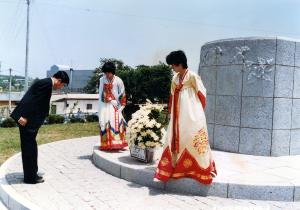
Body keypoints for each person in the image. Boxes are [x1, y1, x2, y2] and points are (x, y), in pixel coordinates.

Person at [154, 50, 217, 184]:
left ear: (180, 64)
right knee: (179, 138)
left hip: (192, 114)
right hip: (178, 116)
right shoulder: (175, 79)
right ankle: (177, 167)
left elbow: (202, 94)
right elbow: (171, 96)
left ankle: (199, 168)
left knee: (192, 137)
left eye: (173, 65)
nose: (172, 67)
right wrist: (171, 112)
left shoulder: (193, 76)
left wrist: (198, 113)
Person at [11, 71, 69, 184]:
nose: (62, 87)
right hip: (27, 120)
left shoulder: (46, 83)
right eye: (63, 85)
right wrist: (25, 116)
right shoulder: (46, 84)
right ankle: (30, 178)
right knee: (29, 148)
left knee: (30, 147)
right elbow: (33, 101)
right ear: (59, 80)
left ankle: (31, 175)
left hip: (29, 120)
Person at [98, 62, 127, 150]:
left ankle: (118, 144)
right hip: (105, 105)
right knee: (106, 122)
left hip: (116, 106)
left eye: (108, 72)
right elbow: (100, 93)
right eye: (105, 73)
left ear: (112, 72)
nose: (107, 74)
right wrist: (107, 98)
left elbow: (122, 93)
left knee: (117, 123)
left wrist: (121, 107)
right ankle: (107, 144)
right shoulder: (102, 80)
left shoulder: (118, 80)